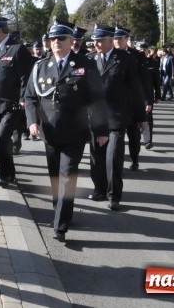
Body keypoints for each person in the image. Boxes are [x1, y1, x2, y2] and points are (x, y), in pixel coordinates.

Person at [25, 21, 108, 242]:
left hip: (75, 133)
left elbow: (97, 100)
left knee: (66, 177)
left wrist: (101, 130)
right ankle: (61, 212)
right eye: (53, 39)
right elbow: (30, 97)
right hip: (50, 133)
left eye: (61, 39)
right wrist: (32, 122)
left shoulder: (84, 64)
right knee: (55, 178)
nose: (56, 43)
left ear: (72, 41)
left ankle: (60, 226)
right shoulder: (41, 66)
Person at [88, 25, 147, 211]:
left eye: (99, 40)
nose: (96, 44)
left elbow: (136, 89)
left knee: (113, 157)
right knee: (96, 157)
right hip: (96, 118)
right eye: (94, 41)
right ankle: (99, 189)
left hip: (117, 117)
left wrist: (141, 117)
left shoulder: (125, 59)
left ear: (109, 40)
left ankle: (114, 195)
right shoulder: (90, 59)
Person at [0, 15, 33, 183]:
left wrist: (23, 99)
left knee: (1, 138)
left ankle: (5, 175)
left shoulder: (17, 49)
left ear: (0, 30)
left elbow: (25, 77)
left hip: (12, 104)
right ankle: (8, 173)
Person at [113, 27, 153, 171]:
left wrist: (148, 101)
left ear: (127, 39)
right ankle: (117, 163)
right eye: (115, 39)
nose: (117, 41)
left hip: (133, 103)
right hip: (116, 105)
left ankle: (134, 159)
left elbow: (144, 81)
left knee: (134, 135)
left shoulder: (137, 56)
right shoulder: (110, 55)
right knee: (116, 137)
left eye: (120, 39)